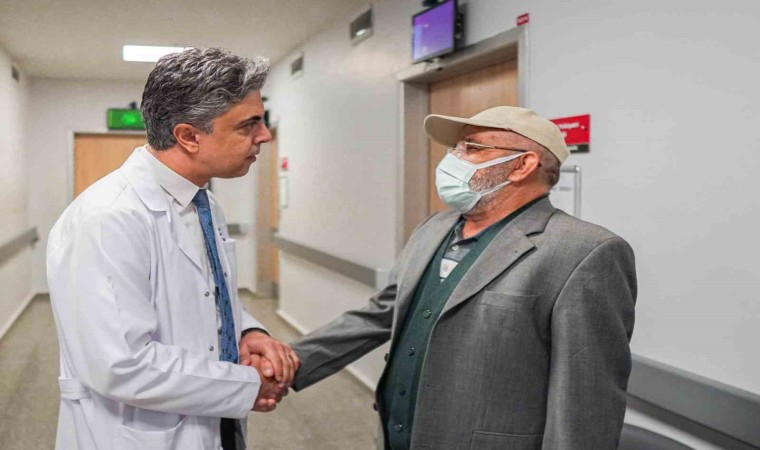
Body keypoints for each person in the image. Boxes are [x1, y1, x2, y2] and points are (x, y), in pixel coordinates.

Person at [290, 106, 637, 449]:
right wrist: (289, 360)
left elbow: (584, 403)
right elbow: (383, 313)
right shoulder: (433, 228)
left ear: (523, 165)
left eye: (471, 147)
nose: (453, 158)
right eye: (455, 148)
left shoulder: (585, 252)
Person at [47, 48, 298, 450]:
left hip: (210, 421)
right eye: (248, 125)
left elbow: (207, 295)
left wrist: (247, 330)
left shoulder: (203, 203)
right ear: (188, 136)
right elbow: (120, 365)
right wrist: (249, 384)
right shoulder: (108, 218)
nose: (265, 135)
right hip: (135, 435)